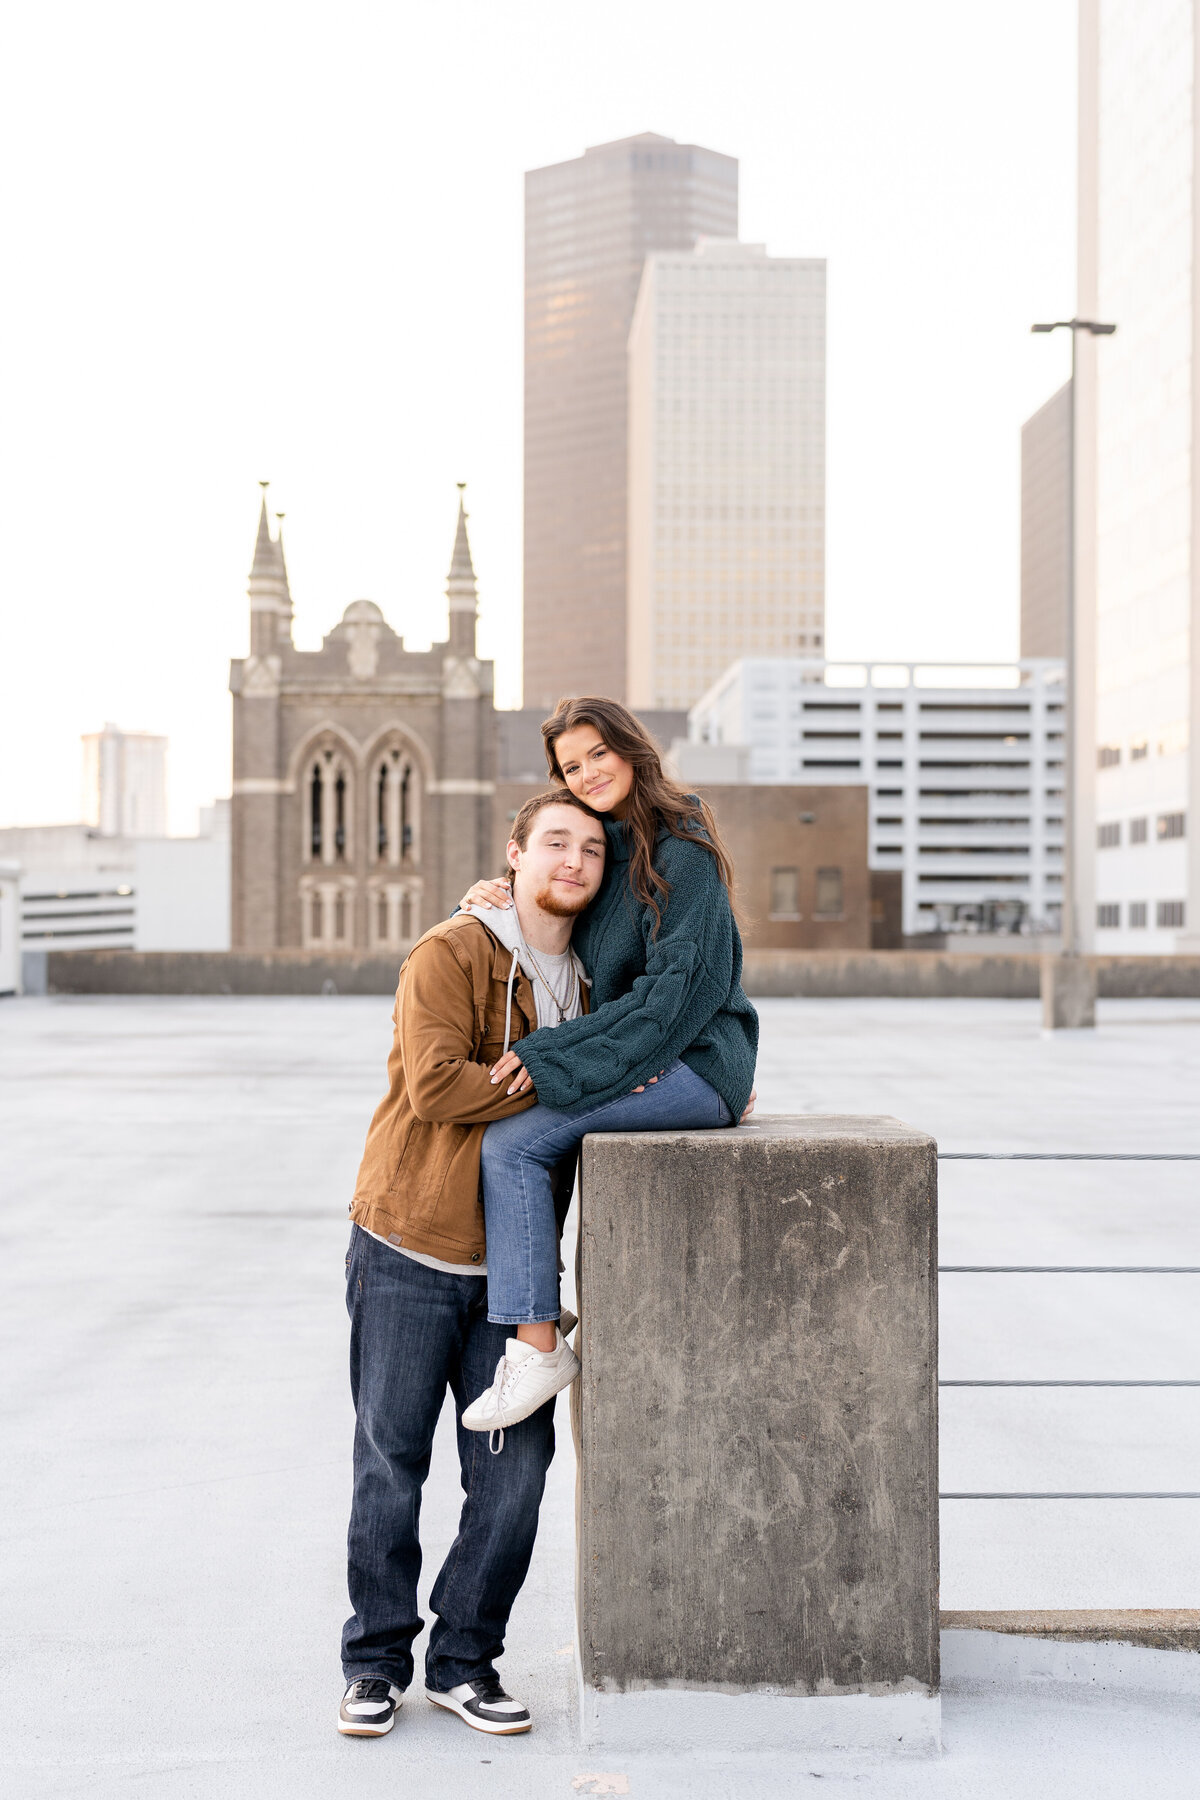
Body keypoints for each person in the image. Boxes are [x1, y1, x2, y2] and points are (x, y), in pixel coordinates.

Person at [338, 789, 605, 1742]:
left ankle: (463, 1661)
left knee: (514, 1473)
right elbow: (435, 1083)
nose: (573, 862)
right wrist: (557, 1070)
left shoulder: (598, 983)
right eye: (556, 843)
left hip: (514, 1276)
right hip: (408, 1247)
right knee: (390, 1462)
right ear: (517, 853)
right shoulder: (452, 950)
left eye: (592, 851)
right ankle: (373, 1665)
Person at [457, 695, 758, 1438]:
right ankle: (547, 1309)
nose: (588, 773)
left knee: (514, 1141)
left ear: (631, 749)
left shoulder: (682, 852)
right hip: (656, 1058)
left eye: (599, 754)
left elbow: (672, 1001)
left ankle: (536, 1347)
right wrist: (496, 896)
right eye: (571, 765)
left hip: (691, 1059)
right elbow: (550, 913)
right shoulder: (602, 850)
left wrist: (549, 1056)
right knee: (533, 1138)